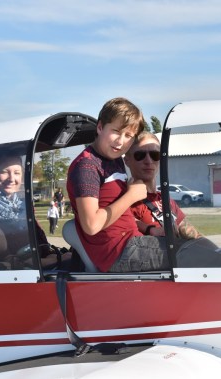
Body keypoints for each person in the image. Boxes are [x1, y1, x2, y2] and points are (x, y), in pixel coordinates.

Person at [67, 97, 172, 273]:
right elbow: (91, 225)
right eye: (116, 131)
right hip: (118, 253)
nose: (120, 141)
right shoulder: (87, 166)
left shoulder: (114, 160)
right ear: (100, 127)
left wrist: (149, 228)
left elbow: (120, 215)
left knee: (195, 246)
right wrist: (130, 196)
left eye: (128, 136)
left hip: (133, 242)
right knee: (191, 252)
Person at [0, 153, 71, 268]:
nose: (11, 179)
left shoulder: (22, 202)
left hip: (35, 258)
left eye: (17, 173)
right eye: (4, 172)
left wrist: (50, 253)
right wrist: (50, 260)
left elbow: (38, 237)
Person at [123, 131, 203, 240]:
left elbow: (190, 232)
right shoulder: (124, 201)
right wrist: (149, 229)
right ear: (127, 161)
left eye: (154, 155)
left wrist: (215, 252)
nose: (148, 161)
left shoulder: (165, 200)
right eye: (140, 155)